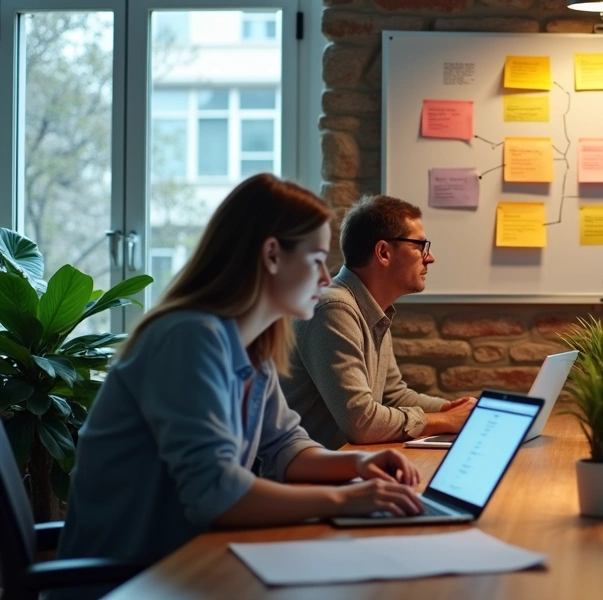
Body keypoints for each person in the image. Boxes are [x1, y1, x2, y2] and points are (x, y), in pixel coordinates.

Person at [58, 175, 426, 584]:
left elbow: (286, 446)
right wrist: (344, 499)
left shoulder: (252, 346)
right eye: (316, 259)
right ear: (272, 255)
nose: (326, 278)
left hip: (191, 562)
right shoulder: (190, 338)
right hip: (134, 578)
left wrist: (358, 463)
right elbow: (215, 491)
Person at [281, 195, 475, 450]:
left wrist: (456, 411)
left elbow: (392, 395)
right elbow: (361, 422)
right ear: (383, 252)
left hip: (342, 464)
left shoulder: (371, 309)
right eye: (420, 246)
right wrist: (445, 420)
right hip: (308, 473)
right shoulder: (333, 309)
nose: (430, 258)